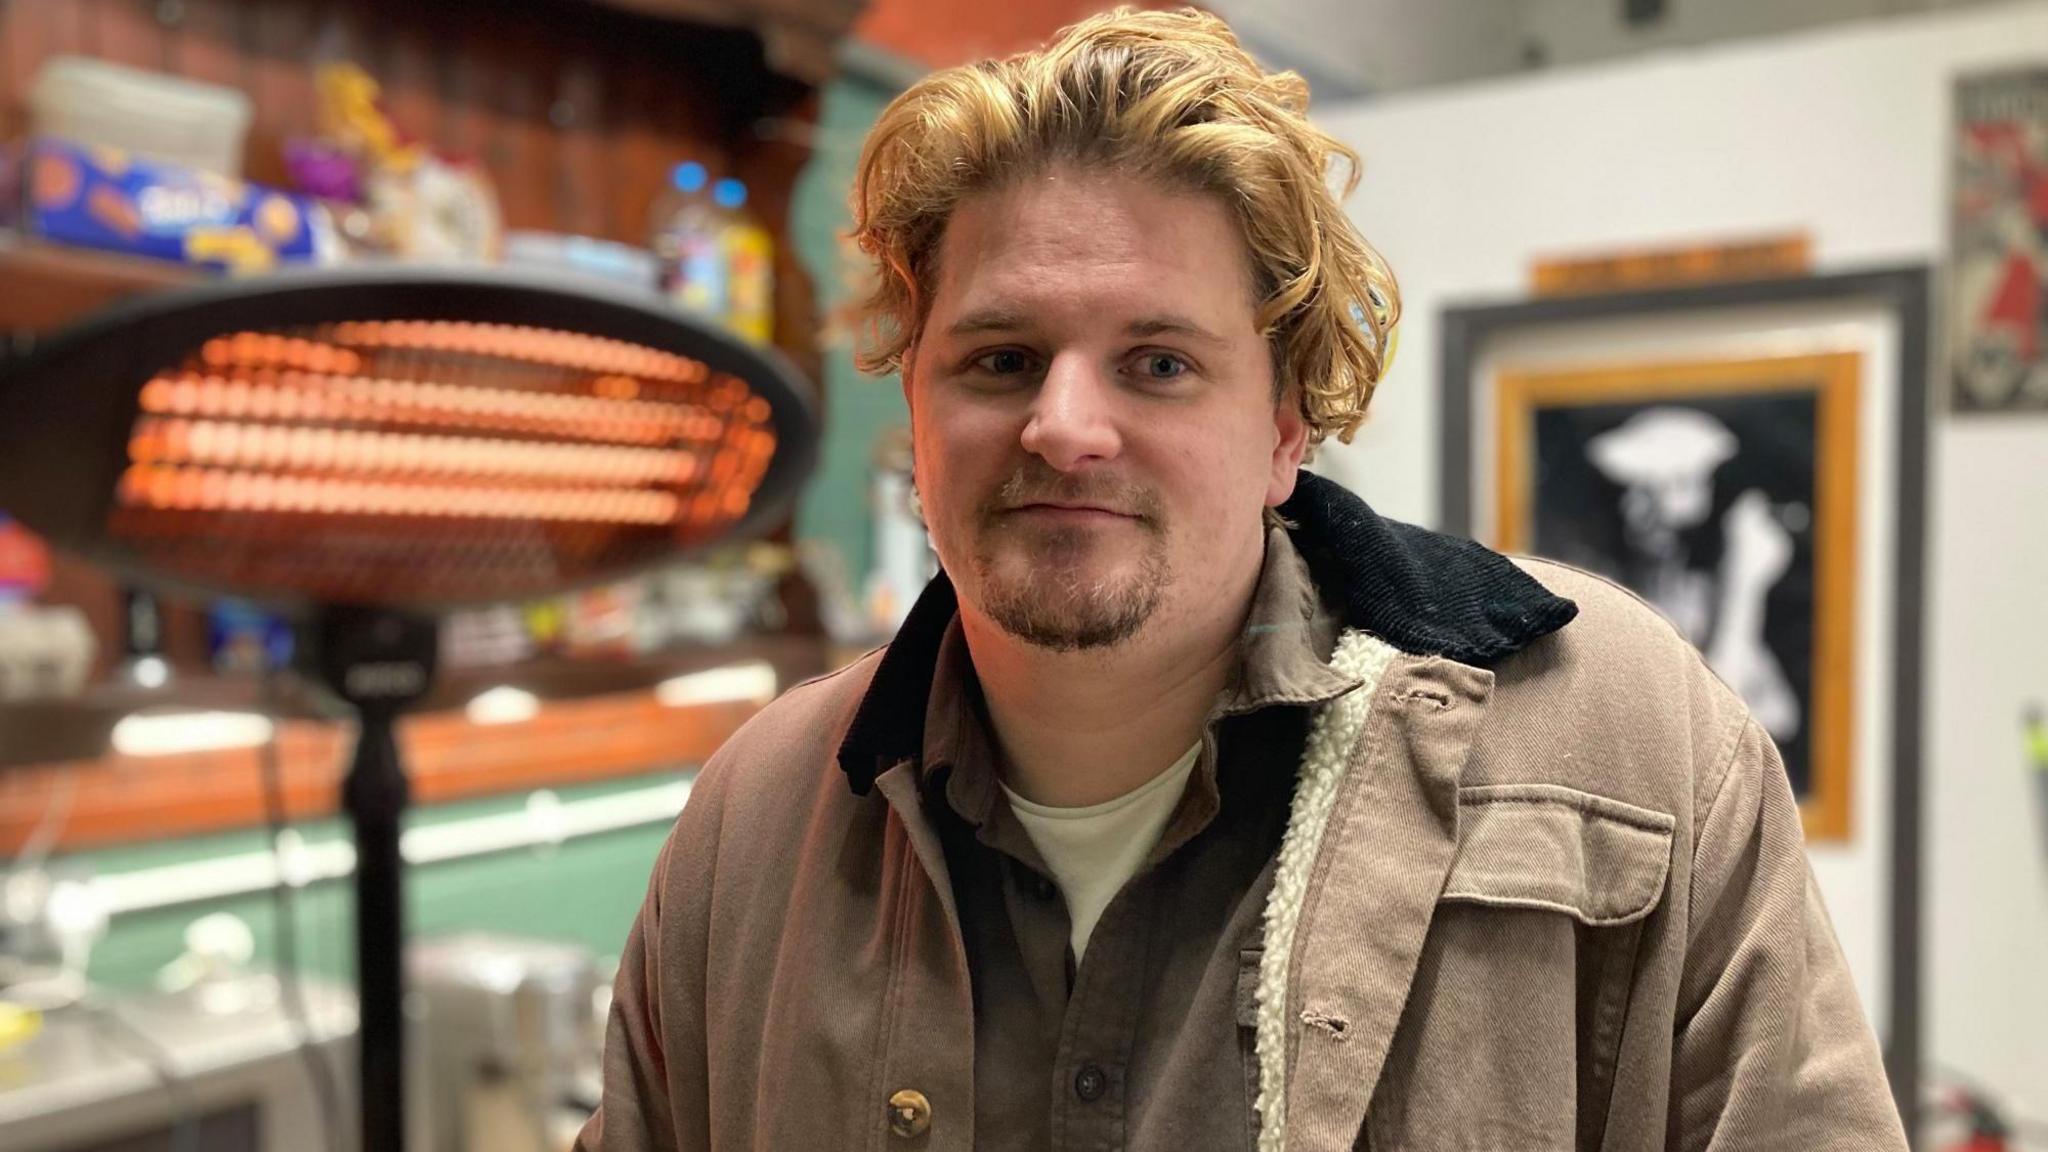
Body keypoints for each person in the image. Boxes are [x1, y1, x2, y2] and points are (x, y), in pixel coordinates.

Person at [576, 8, 1907, 1150]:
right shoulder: (751, 832)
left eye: (1159, 362)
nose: (1064, 426)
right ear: (913, 412)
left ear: (1285, 429)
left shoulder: (1622, 745)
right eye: (999, 359)